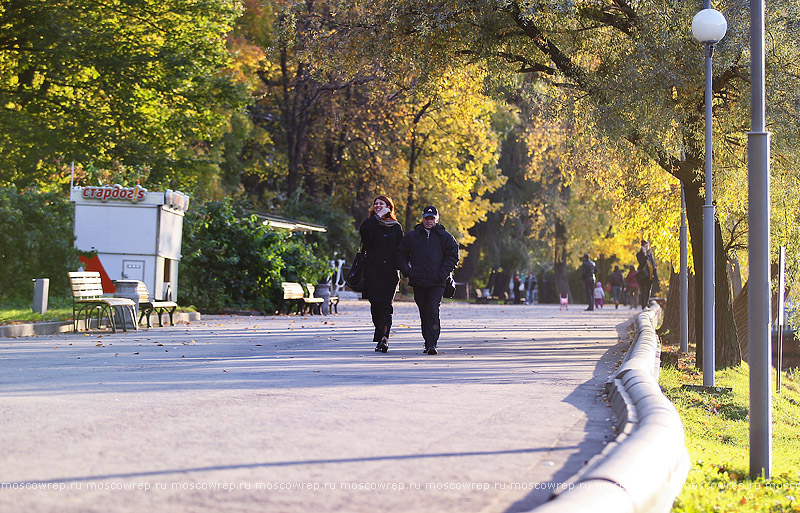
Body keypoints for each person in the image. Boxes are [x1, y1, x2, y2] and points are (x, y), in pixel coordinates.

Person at [396, 205, 459, 355]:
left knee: (432, 309)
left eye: (432, 218)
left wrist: (443, 273)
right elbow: (400, 254)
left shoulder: (445, 237)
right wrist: (408, 271)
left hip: (437, 282)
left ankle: (432, 343)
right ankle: (427, 341)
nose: (429, 221)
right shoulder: (412, 236)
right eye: (426, 218)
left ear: (437, 219)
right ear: (423, 218)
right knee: (424, 311)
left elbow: (453, 256)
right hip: (418, 281)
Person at [359, 195, 404, 353]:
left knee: (386, 306)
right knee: (375, 306)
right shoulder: (370, 224)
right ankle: (380, 334)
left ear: (389, 207)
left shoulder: (395, 227)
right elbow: (364, 234)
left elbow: (401, 250)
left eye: (381, 203)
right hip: (372, 272)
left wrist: (405, 267)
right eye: (376, 204)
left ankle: (385, 338)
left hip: (389, 274)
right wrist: (377, 217)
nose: (378, 205)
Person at [636, 240, 658, 309]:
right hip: (643, 276)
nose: (647, 248)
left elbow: (653, 264)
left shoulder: (650, 254)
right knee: (644, 290)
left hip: (650, 275)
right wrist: (645, 255)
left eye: (647, 246)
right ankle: (644, 305)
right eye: (645, 246)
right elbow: (642, 263)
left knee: (648, 290)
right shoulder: (639, 255)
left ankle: (647, 303)